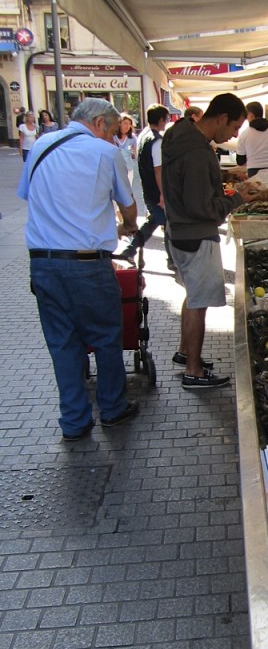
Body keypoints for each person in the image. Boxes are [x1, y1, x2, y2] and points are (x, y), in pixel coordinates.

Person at [17, 97, 139, 439]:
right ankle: (113, 409)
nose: (115, 138)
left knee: (63, 344)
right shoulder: (104, 153)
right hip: (87, 264)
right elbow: (128, 206)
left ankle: (74, 421)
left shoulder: (41, 145)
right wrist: (128, 225)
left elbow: (29, 195)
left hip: (43, 263)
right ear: (100, 123)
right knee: (105, 338)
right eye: (114, 131)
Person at [162, 92, 265, 389]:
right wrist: (236, 199)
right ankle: (193, 371)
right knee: (199, 302)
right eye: (234, 128)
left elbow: (192, 186)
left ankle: (185, 353)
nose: (234, 134)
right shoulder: (196, 152)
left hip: (178, 230)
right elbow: (201, 207)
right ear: (221, 118)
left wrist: (223, 179)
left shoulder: (180, 137)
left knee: (193, 296)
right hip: (196, 234)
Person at [118, 104, 174, 270]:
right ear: (162, 120)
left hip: (148, 187)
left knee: (157, 222)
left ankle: (131, 250)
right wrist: (163, 194)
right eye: (167, 119)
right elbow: (158, 170)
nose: (167, 122)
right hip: (155, 190)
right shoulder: (156, 140)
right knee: (164, 223)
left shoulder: (144, 135)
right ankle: (170, 259)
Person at [235, 101, 268, 186]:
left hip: (254, 173)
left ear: (251, 115)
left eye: (246, 116)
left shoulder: (244, 135)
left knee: (257, 196)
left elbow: (240, 161)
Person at [114, 113, 140, 210]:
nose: (127, 126)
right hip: (116, 168)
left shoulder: (132, 138)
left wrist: (133, 154)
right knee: (116, 190)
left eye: (129, 124)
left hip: (128, 168)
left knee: (126, 190)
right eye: (125, 123)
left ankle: (124, 211)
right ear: (119, 124)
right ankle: (117, 212)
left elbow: (135, 153)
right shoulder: (113, 137)